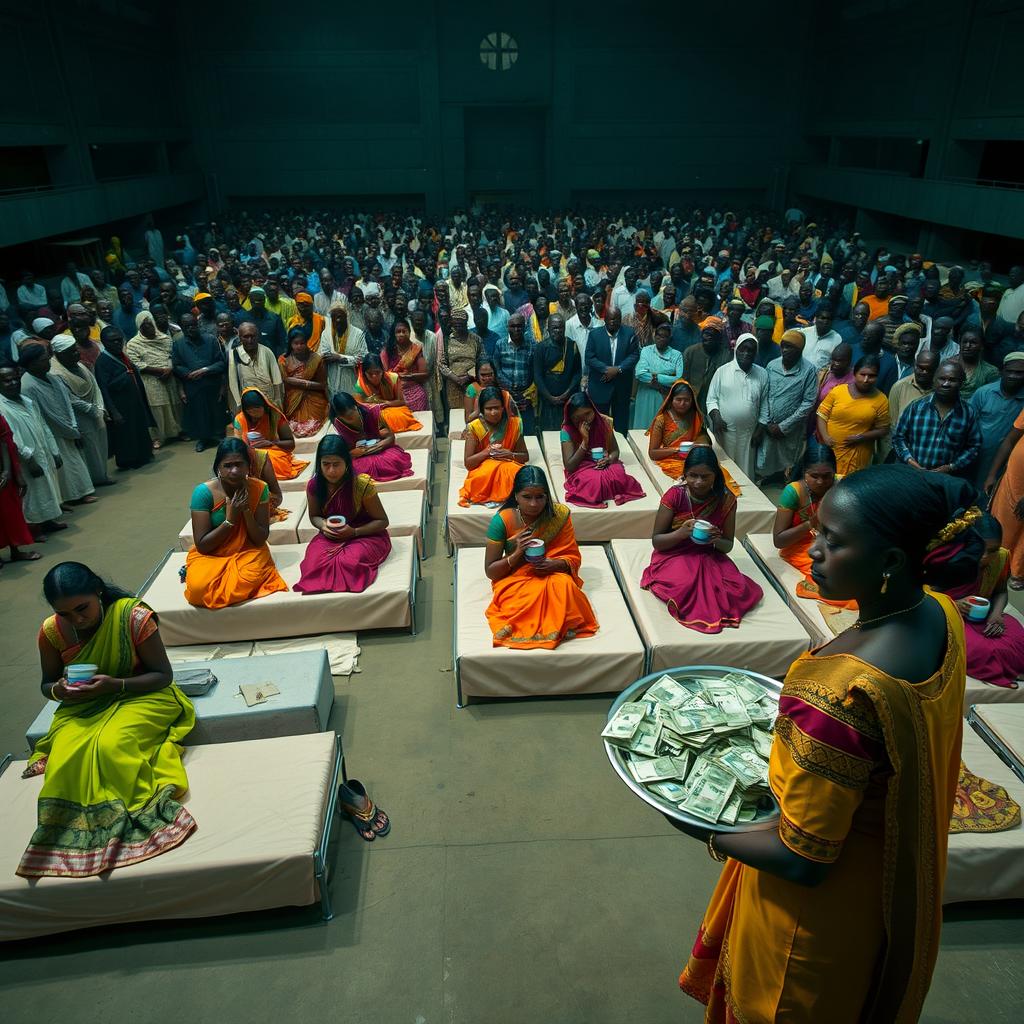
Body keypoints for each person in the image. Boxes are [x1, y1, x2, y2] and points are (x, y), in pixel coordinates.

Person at [678, 466, 969, 1024]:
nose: (812, 551)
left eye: (833, 542)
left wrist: (702, 826)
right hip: (888, 889)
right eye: (816, 531)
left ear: (890, 561)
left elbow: (803, 859)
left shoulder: (838, 691)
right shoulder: (943, 615)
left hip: (810, 923)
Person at [19, 562, 196, 878]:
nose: (77, 619)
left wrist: (117, 684)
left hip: (140, 695)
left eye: (82, 608)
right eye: (65, 614)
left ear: (98, 591)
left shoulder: (132, 617)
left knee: (111, 744)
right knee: (66, 756)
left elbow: (163, 676)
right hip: (82, 705)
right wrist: (59, 690)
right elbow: (47, 684)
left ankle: (130, 818)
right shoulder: (51, 632)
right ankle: (68, 833)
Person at [641, 446, 762, 633]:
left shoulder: (727, 500)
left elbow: (727, 545)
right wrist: (681, 534)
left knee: (735, 589)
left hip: (709, 554)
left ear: (716, 475)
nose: (698, 482)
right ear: (685, 474)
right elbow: (657, 541)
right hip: (674, 553)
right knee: (686, 584)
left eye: (705, 477)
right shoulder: (675, 496)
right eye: (692, 476)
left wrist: (714, 541)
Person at [483, 464, 598, 650]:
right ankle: (548, 627)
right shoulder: (502, 520)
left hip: (551, 573)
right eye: (526, 497)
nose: (534, 504)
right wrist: (518, 552)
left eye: (540, 497)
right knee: (525, 600)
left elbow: (572, 556)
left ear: (547, 496)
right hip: (514, 577)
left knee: (565, 586)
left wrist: (555, 564)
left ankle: (559, 624)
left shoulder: (559, 515)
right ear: (516, 496)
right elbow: (491, 571)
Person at [185, 438, 289, 609]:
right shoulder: (203, 493)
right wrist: (230, 520)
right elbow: (203, 545)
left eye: (239, 464)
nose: (234, 471)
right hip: (213, 554)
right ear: (218, 467)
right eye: (227, 465)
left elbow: (260, 539)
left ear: (248, 466)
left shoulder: (259, 488)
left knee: (250, 576)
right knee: (198, 588)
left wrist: (246, 511)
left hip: (247, 551)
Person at [933, 514, 1024, 689]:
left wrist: (997, 614)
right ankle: (1005, 671)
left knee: (1019, 641)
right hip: (947, 614)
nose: (985, 556)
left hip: (984, 614)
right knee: (981, 650)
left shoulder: (1001, 557)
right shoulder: (948, 557)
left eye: (993, 550)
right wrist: (955, 604)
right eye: (979, 548)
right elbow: (926, 597)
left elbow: (1001, 591)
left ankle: (1012, 666)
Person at [772, 442, 854, 608]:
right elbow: (779, 540)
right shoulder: (794, 491)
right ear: (804, 472)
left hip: (836, 543)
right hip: (802, 546)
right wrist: (811, 522)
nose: (820, 482)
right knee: (837, 575)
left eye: (827, 476)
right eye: (814, 476)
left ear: (834, 472)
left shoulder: (843, 485)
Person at [18, 344, 97, 506]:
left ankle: (80, 494)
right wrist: (70, 431)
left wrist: (73, 426)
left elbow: (67, 401)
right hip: (52, 433)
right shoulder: (27, 386)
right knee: (63, 468)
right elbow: (47, 415)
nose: (48, 361)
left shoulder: (53, 377)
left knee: (74, 463)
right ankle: (69, 498)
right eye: (44, 359)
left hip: (68, 427)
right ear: (32, 364)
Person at [0, 365, 66, 536]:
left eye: (15, 378)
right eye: (7, 381)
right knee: (31, 496)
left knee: (46, 488)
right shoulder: (2, 407)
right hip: (24, 460)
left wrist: (54, 450)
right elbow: (12, 438)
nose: (13, 383)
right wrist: (29, 459)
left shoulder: (26, 400)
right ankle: (34, 529)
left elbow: (43, 426)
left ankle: (48, 521)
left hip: (42, 451)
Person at [891, 360, 981, 476]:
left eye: (952, 380)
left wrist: (952, 467)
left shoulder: (968, 413)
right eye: (942, 379)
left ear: (961, 383)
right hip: (911, 474)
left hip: (944, 479)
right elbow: (898, 437)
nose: (946, 384)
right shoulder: (916, 407)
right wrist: (909, 460)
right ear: (934, 380)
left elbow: (974, 446)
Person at [559, 393, 645, 508]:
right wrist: (585, 441)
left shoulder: (604, 422)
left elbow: (615, 451)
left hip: (602, 461)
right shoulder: (567, 430)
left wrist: (608, 459)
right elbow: (570, 466)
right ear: (571, 417)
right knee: (594, 482)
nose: (585, 420)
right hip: (580, 464)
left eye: (588, 414)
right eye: (578, 418)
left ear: (594, 410)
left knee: (618, 476)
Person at [756, 331, 818, 482]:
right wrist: (767, 421)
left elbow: (808, 403)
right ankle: (766, 478)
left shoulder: (809, 370)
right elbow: (765, 393)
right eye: (783, 346)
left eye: (790, 347)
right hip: (769, 424)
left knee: (786, 459)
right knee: (765, 458)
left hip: (791, 428)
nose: (785, 350)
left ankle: (781, 478)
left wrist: (784, 426)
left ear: (800, 350)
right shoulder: (772, 365)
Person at [50, 335, 109, 491]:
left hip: (96, 410)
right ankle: (94, 479)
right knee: (89, 448)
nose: (77, 353)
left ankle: (102, 475)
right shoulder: (55, 373)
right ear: (60, 354)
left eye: (76, 349)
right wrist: (92, 409)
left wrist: (100, 408)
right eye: (72, 351)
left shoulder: (80, 365)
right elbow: (70, 399)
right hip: (80, 416)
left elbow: (95, 386)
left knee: (100, 443)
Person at [816, 354, 890, 476]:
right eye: (863, 374)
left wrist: (861, 437)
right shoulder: (838, 391)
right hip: (830, 450)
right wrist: (825, 436)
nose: (866, 380)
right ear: (855, 373)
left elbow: (883, 429)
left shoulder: (881, 400)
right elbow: (821, 414)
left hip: (857, 454)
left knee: (849, 487)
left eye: (871, 376)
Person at [93, 326, 155, 471]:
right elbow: (104, 388)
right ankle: (129, 461)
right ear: (104, 342)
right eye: (112, 341)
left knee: (139, 428)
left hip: (134, 401)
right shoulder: (102, 361)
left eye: (119, 340)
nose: (117, 343)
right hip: (120, 405)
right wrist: (113, 412)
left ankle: (143, 455)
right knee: (126, 434)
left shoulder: (122, 355)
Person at [706, 335, 768, 479]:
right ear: (736, 350)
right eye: (743, 349)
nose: (746, 353)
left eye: (751, 350)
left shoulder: (762, 374)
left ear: (755, 353)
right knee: (724, 469)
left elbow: (765, 406)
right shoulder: (722, 371)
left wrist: (760, 428)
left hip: (749, 434)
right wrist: (716, 417)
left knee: (745, 471)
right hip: (725, 432)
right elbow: (711, 399)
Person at [459, 385, 529, 507]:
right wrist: (486, 452)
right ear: (482, 410)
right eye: (489, 409)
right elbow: (469, 463)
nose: (493, 412)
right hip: (485, 468)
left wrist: (510, 454)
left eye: (497, 408)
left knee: (518, 474)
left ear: (503, 407)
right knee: (481, 477)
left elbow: (524, 456)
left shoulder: (514, 425)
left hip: (508, 465)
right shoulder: (474, 428)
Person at [125, 310, 182, 448]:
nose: (148, 328)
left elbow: (171, 356)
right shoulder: (133, 344)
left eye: (150, 324)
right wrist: (159, 371)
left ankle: (178, 432)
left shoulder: (164, 338)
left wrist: (169, 368)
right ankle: (159, 437)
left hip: (170, 377)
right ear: (139, 327)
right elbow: (137, 364)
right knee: (157, 408)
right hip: (150, 380)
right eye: (144, 326)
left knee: (175, 405)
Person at [171, 313, 227, 453]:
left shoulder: (211, 340)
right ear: (182, 328)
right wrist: (188, 374)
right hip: (193, 385)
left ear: (198, 325)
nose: (191, 329)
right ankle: (203, 440)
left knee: (216, 413)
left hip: (212, 384)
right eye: (187, 327)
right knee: (199, 414)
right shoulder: (178, 344)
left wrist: (205, 370)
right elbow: (176, 366)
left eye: (193, 325)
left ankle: (219, 438)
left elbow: (221, 363)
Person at [330, 391, 413, 482]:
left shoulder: (371, 412)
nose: (351, 420)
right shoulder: (338, 422)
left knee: (393, 461)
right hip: (360, 458)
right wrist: (353, 453)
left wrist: (377, 446)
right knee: (352, 470)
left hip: (382, 451)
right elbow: (346, 451)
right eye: (346, 418)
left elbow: (390, 437)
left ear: (356, 406)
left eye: (351, 415)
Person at [972, 352, 1024, 490]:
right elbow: (968, 424)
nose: (1013, 376)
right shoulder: (984, 393)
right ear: (1002, 371)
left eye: (1019, 373)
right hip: (977, 457)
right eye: (1009, 371)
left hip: (1007, 461)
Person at [231, 387, 308, 481]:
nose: (254, 414)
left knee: (276, 461)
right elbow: (237, 446)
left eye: (257, 409)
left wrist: (270, 443)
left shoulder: (275, 416)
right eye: (250, 411)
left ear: (265, 405)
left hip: (271, 449)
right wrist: (249, 449)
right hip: (248, 453)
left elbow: (290, 444)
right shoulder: (239, 420)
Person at [986, 406, 1024, 588]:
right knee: (1002, 524)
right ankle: (997, 565)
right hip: (1014, 480)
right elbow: (1010, 440)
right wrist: (992, 474)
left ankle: (1018, 572)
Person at [585, 307, 639, 433]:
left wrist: (618, 369)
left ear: (621, 320)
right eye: (610, 319)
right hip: (600, 385)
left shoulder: (630, 333)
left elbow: (634, 355)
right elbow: (589, 357)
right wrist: (605, 369)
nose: (613, 322)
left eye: (616, 319)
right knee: (598, 424)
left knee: (621, 425)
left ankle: (620, 449)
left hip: (621, 387)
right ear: (605, 319)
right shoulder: (594, 335)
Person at [647, 379, 711, 481]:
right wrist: (678, 450)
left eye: (687, 400)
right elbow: (653, 453)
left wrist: (698, 445)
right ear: (671, 400)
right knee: (690, 476)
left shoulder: (696, 417)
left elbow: (704, 439)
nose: (682, 403)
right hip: (671, 461)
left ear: (692, 401)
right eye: (678, 399)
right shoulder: (661, 420)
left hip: (694, 458)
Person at [0, 410, 39, 566]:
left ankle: (15, 551)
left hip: (3, 471)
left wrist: (8, 471)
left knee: (11, 512)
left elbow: (4, 442)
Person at [354, 352, 422, 434]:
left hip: (393, 408)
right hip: (375, 414)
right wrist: (375, 407)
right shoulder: (360, 385)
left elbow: (401, 402)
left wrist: (385, 403)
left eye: (377, 372)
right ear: (364, 373)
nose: (374, 376)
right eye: (370, 374)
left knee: (401, 416)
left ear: (382, 371)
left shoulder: (393, 378)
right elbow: (360, 410)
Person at [633, 322, 684, 430]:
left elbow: (678, 379)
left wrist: (657, 377)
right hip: (645, 394)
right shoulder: (646, 351)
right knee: (642, 428)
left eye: (665, 336)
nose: (661, 338)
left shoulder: (677, 355)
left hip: (664, 395)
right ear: (654, 336)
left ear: (669, 339)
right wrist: (666, 375)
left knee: (660, 428)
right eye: (659, 335)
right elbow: (640, 374)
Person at [534, 314, 581, 431]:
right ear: (548, 329)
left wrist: (566, 394)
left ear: (564, 329)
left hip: (567, 399)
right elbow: (537, 376)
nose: (557, 331)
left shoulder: (572, 346)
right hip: (547, 400)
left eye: (560, 328)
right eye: (554, 328)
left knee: (567, 432)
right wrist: (550, 397)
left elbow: (577, 373)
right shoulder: (541, 348)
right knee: (548, 432)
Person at [279, 326, 328, 436]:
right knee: (293, 427)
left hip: (314, 400)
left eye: (302, 343)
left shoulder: (316, 359)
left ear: (307, 342)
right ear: (290, 343)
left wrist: (303, 383)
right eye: (296, 343)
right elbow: (284, 381)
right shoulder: (283, 360)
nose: (299, 346)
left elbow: (322, 385)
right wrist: (297, 382)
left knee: (314, 427)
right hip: (292, 401)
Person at [493, 313, 536, 434]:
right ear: (508, 327)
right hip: (506, 396)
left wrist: (524, 393)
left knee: (527, 433)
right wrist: (510, 389)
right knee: (507, 432)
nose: (516, 329)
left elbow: (534, 371)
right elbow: (497, 370)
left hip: (526, 397)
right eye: (513, 326)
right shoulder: (500, 344)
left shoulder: (532, 345)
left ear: (525, 327)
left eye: (519, 326)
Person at [227, 320, 284, 411]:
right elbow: (232, 383)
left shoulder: (267, 352)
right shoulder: (233, 354)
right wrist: (238, 406)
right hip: (247, 404)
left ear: (257, 336)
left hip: (269, 402)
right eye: (246, 337)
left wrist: (277, 404)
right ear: (240, 338)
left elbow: (277, 380)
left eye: (252, 336)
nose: (250, 340)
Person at [682, 316, 731, 415]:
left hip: (716, 404)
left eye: (713, 335)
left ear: (719, 338)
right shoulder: (690, 352)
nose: (709, 337)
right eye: (706, 334)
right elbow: (683, 379)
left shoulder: (726, 356)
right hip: (691, 401)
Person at [439, 307, 481, 416]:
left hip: (472, 383)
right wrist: (456, 379)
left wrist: (468, 376)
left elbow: (482, 360)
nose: (458, 326)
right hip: (453, 384)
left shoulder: (476, 339)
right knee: (456, 415)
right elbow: (441, 364)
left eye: (461, 324)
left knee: (473, 414)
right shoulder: (447, 340)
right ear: (452, 323)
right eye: (455, 324)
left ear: (466, 323)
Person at [319, 303, 366, 399]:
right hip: (332, 380)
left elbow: (363, 358)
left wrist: (340, 358)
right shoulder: (326, 334)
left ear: (346, 316)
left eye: (340, 316)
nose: (337, 320)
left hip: (351, 380)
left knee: (351, 408)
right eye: (334, 317)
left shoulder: (358, 334)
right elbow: (324, 355)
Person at [382, 318, 429, 412]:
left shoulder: (416, 349)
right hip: (394, 392)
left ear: (409, 332)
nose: (401, 334)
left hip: (414, 390)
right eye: (398, 332)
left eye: (404, 331)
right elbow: (384, 375)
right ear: (394, 334)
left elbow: (424, 374)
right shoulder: (388, 351)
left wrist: (410, 376)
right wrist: (396, 377)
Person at [957, 326, 999, 400]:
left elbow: (991, 397)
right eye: (964, 342)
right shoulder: (947, 364)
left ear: (982, 346)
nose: (967, 346)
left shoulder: (990, 371)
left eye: (973, 342)